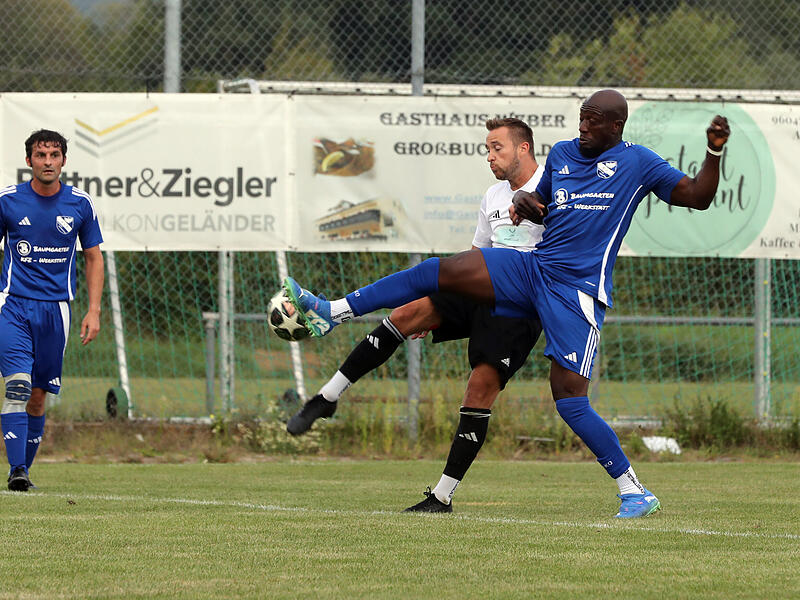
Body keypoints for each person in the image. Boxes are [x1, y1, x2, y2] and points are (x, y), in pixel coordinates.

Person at [283, 89, 730, 518]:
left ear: (617, 125)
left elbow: (699, 197)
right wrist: (525, 202)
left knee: (570, 401)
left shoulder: (638, 162)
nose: (584, 127)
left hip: (575, 291)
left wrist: (712, 154)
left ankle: (633, 491)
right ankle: (332, 311)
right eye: (581, 118)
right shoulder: (564, 154)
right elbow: (544, 202)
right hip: (534, 268)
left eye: (594, 121)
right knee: (443, 269)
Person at [287, 118, 546, 513]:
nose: (490, 157)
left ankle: (442, 497)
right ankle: (327, 396)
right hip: (484, 286)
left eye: (498, 148)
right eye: (487, 149)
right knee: (408, 314)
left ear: (524, 148)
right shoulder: (493, 196)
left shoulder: (551, 186)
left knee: (479, 391)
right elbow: (477, 255)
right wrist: (445, 304)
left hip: (519, 304)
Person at [0, 129, 104, 491]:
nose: (47, 162)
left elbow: (93, 257)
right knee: (17, 385)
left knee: (39, 394)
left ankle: (22, 471)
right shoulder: (8, 201)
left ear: (63, 160)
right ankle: (16, 470)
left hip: (57, 310)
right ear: (29, 161)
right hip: (12, 305)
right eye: (40, 155)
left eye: (54, 155)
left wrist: (94, 311)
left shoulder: (80, 204)